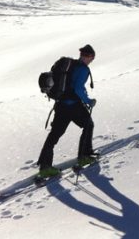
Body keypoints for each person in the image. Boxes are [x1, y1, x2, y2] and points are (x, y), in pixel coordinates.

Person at [37, 44, 98, 179]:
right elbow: (78, 88)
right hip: (73, 106)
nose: (91, 61)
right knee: (88, 125)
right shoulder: (83, 69)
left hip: (61, 106)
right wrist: (88, 101)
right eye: (91, 58)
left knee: (54, 135)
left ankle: (44, 166)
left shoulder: (71, 66)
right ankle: (84, 156)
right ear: (89, 57)